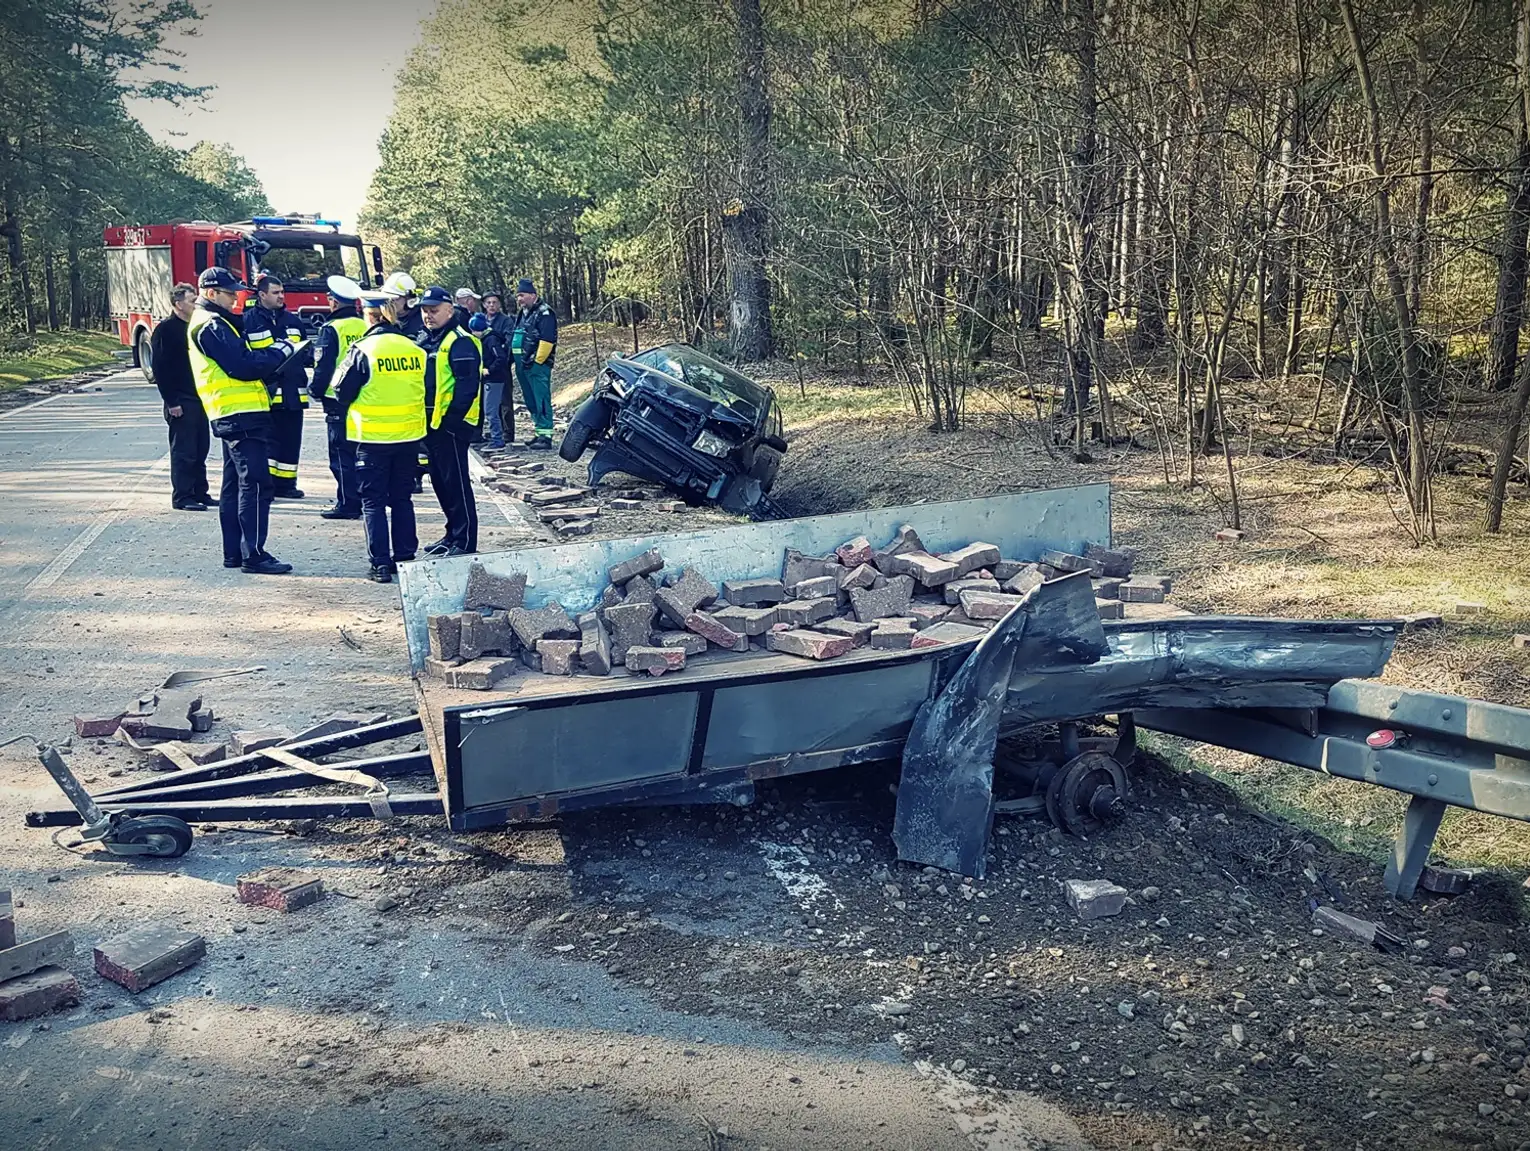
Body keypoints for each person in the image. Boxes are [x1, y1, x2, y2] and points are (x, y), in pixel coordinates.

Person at [186, 267, 299, 575]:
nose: (236, 298)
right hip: (240, 415)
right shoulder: (211, 324)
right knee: (256, 484)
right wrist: (280, 352)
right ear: (211, 294)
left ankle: (234, 552)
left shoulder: (215, 321)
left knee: (234, 485)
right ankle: (255, 554)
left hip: (235, 413)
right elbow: (243, 366)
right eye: (229, 293)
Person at [332, 285, 427, 583]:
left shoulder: (362, 350)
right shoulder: (415, 349)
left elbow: (340, 390)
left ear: (368, 316)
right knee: (401, 498)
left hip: (372, 438)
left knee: (372, 502)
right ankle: (405, 555)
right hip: (408, 437)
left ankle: (381, 564)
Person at [418, 286, 482, 556]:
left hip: (452, 426)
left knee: (456, 483)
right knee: (440, 481)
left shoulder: (460, 341)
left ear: (449, 309)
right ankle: (451, 533)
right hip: (431, 426)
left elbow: (468, 387)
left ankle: (465, 540)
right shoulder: (428, 339)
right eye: (425, 311)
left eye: (434, 310)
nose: (428, 316)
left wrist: (452, 422)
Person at [242, 274, 311, 498]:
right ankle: (267, 486)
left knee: (291, 442)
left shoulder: (293, 321)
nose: (281, 296)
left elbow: (305, 351)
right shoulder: (248, 321)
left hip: (293, 393)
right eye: (275, 293)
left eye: (282, 292)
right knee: (268, 445)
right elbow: (248, 357)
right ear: (262, 295)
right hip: (267, 393)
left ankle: (287, 485)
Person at [308, 277, 367, 520]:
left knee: (341, 453)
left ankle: (348, 503)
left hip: (337, 399)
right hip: (364, 397)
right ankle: (366, 498)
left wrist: (315, 390)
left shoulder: (331, 329)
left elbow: (324, 366)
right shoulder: (365, 326)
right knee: (362, 450)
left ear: (333, 302)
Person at [150, 282, 213, 511]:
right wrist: (171, 401)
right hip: (180, 400)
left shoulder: (195, 326)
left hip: (200, 397)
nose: (196, 303)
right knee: (184, 451)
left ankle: (200, 492)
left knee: (200, 448)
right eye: (191, 300)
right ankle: (182, 496)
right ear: (178, 304)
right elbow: (160, 369)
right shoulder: (166, 330)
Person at [512, 277, 558, 449]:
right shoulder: (523, 313)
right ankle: (539, 431)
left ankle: (546, 436)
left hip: (537, 364)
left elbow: (547, 340)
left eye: (522, 295)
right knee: (530, 399)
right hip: (523, 364)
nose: (520, 299)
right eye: (518, 296)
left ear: (533, 295)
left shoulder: (545, 313)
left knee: (541, 398)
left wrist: (537, 362)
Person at [470, 312, 509, 448]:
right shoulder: (486, 338)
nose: (473, 333)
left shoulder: (491, 340)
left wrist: (489, 370)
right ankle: (495, 437)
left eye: (474, 330)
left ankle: (497, 440)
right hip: (490, 380)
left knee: (490, 411)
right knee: (490, 410)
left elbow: (501, 358)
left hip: (494, 379)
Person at [481, 293, 513, 447]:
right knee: (491, 403)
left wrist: (502, 357)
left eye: (494, 302)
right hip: (487, 367)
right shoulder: (481, 320)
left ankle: (508, 431)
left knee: (505, 399)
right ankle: (496, 431)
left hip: (501, 364)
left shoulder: (505, 321)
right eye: (488, 302)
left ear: (499, 304)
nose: (491, 305)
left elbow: (508, 341)